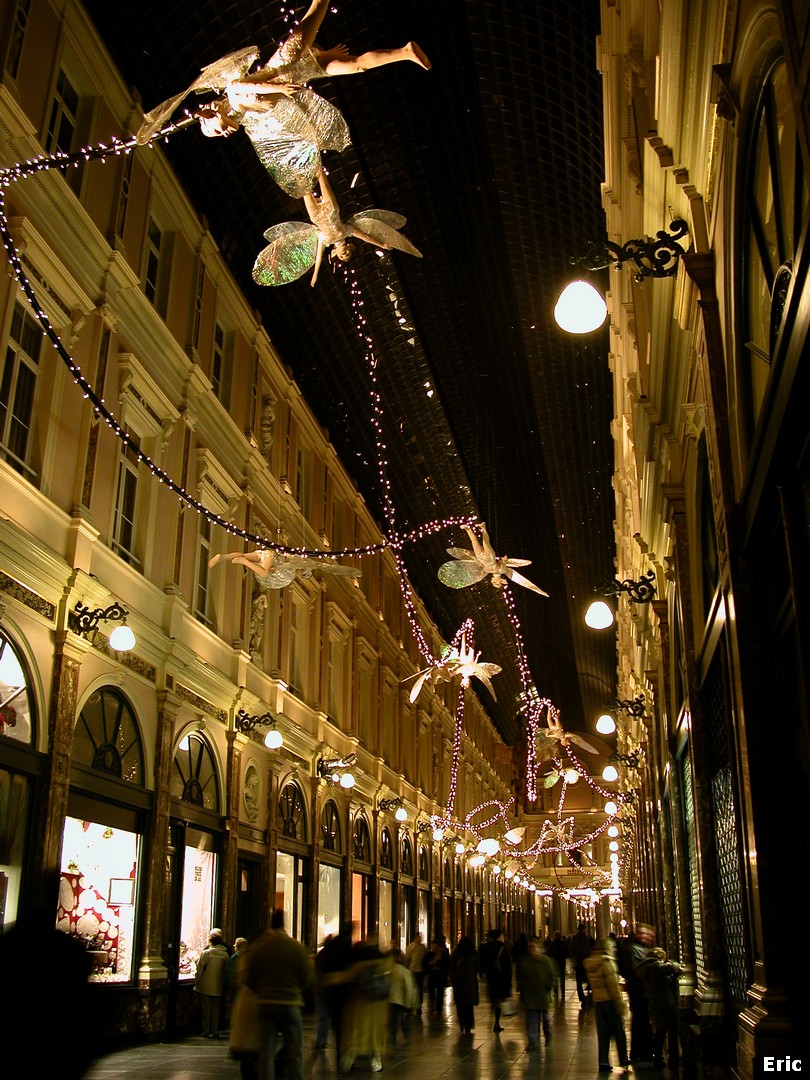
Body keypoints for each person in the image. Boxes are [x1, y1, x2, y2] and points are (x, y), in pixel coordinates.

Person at [251, 165, 422, 287]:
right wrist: (382, 244)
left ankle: (295, 165)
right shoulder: (347, 231)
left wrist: (315, 274)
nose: (345, 254)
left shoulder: (324, 239)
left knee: (304, 189)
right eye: (347, 254)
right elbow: (367, 237)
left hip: (317, 217)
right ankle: (313, 152)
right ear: (349, 248)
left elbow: (317, 258)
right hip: (332, 210)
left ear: (336, 254)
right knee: (322, 178)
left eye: (342, 257)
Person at [242, 909, 313, 1080]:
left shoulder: (260, 947)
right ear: (283, 924)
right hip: (290, 1004)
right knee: (295, 1051)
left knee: (266, 1052)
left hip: (266, 1004)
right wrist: (295, 990)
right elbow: (306, 977)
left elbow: (249, 977)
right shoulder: (295, 947)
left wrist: (262, 991)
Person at [338, 933, 392, 1073]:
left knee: (356, 1035)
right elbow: (389, 980)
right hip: (377, 1004)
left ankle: (349, 1059)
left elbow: (349, 976)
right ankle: (376, 1062)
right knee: (375, 1037)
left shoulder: (358, 959)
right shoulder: (383, 959)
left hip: (358, 1004)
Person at [583, 938, 630, 1072]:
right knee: (618, 1031)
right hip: (610, 1000)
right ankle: (623, 1058)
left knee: (603, 1032)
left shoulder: (590, 962)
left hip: (598, 1000)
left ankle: (603, 1060)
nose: (614, 949)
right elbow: (612, 985)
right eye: (612, 947)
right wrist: (619, 1001)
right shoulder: (606, 962)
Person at [636, 947, 682, 1069]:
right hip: (665, 1001)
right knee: (671, 1030)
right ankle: (673, 1059)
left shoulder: (645, 968)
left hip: (654, 1001)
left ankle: (657, 1057)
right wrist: (674, 964)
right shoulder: (656, 966)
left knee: (660, 1030)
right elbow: (674, 968)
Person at [617, 923, 655, 1065]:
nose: (648, 937)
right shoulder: (633, 950)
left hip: (640, 990)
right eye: (645, 934)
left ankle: (640, 1051)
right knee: (641, 1021)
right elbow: (632, 970)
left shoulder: (640, 949)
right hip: (639, 990)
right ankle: (643, 1052)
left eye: (650, 935)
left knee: (641, 1021)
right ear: (639, 935)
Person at [516, 937, 557, 1050]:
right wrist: (522, 988)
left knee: (545, 1020)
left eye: (534, 947)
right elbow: (522, 977)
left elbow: (552, 976)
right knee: (532, 1019)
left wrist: (549, 986)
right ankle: (532, 1041)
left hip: (542, 994)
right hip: (531, 995)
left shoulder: (545, 961)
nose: (532, 950)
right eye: (530, 948)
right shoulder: (526, 962)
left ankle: (548, 1038)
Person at [195, 928, 230, 1037]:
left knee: (206, 1009)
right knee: (216, 1009)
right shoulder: (225, 955)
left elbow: (199, 969)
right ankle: (215, 1030)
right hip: (219, 985)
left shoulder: (206, 953)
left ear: (210, 942)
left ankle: (206, 1030)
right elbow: (227, 971)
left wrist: (197, 982)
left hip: (206, 985)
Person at [479, 928, 513, 1033]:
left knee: (493, 998)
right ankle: (496, 1022)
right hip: (501, 977)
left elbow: (481, 962)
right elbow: (508, 965)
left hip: (490, 977)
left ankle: (492, 1018)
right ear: (499, 936)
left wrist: (485, 971)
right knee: (499, 1000)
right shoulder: (503, 947)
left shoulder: (484, 947)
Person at [449, 935, 479, 1036]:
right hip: (470, 982)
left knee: (460, 1004)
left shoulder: (456, 954)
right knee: (468, 1005)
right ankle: (468, 1025)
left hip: (459, 983)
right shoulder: (473, 954)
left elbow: (452, 967)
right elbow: (478, 968)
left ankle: (462, 1023)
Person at [388, 949, 419, 1046]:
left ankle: (392, 1039)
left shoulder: (389, 970)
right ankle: (406, 1035)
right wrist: (410, 1004)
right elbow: (409, 988)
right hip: (401, 1000)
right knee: (403, 1019)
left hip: (390, 999)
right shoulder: (405, 971)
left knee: (392, 1020)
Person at [568, 921, 595, 1008]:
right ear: (584, 930)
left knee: (578, 982)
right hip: (586, 962)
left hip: (578, 963)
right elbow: (588, 950)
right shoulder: (586, 938)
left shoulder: (574, 939)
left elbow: (571, 950)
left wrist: (576, 956)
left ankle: (582, 998)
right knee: (589, 980)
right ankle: (590, 995)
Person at [425, 935, 451, 1016]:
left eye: (435, 946)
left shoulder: (442, 954)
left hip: (440, 975)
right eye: (433, 946)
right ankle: (433, 1007)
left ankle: (438, 1009)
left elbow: (446, 964)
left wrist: (446, 974)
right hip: (432, 975)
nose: (434, 947)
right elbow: (425, 964)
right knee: (432, 993)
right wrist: (430, 964)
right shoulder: (429, 954)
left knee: (440, 993)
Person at [404, 932, 427, 1013]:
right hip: (413, 970)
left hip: (420, 971)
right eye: (419, 937)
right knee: (413, 988)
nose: (420, 938)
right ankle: (412, 1005)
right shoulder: (411, 946)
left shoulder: (423, 947)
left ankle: (418, 1006)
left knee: (419, 989)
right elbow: (407, 959)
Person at [546, 930, 569, 1001]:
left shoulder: (553, 944)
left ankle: (556, 991)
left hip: (555, 962)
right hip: (561, 962)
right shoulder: (563, 943)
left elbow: (548, 952)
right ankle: (563, 993)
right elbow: (567, 953)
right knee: (562, 979)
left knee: (555, 978)